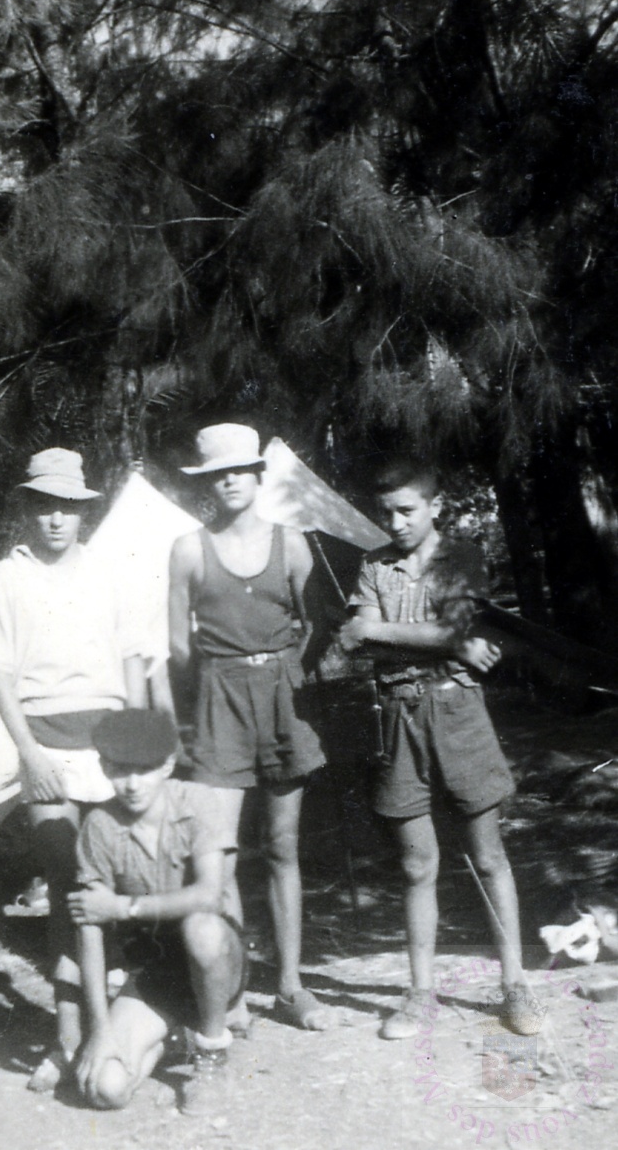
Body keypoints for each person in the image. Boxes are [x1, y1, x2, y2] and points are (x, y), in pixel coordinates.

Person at [338, 459, 540, 1039]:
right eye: (386, 513)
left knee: (488, 856)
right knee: (416, 863)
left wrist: (383, 632)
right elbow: (364, 642)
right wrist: (446, 643)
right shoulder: (373, 565)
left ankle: (515, 987)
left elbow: (450, 628)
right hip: (397, 718)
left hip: (457, 714)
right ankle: (420, 993)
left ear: (435, 506)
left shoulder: (465, 556)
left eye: (407, 510)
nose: (396, 522)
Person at [0, 448, 146, 1091]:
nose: (54, 520)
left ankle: (122, 1026)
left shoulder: (107, 572)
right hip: (44, 744)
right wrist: (30, 755)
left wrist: (136, 743)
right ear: (27, 510)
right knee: (64, 885)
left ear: (82, 512)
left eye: (66, 508)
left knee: (113, 881)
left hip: (106, 740)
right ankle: (67, 1038)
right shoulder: (6, 577)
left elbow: (132, 661)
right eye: (43, 506)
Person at [168, 423, 326, 1031]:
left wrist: (288, 676)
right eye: (215, 473)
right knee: (221, 855)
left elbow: (318, 626)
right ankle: (231, 993)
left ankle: (290, 985)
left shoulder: (291, 545)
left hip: (281, 699)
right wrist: (203, 705)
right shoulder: (187, 549)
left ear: (258, 476)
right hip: (218, 702)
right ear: (206, 483)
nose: (228, 480)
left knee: (283, 846)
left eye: (238, 469)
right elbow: (177, 648)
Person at [68, 709, 246, 1117]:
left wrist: (125, 907)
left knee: (202, 929)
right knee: (104, 1089)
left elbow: (210, 896)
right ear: (103, 766)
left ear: (167, 764)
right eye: (119, 770)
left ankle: (212, 1052)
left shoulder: (196, 801)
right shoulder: (99, 825)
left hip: (218, 959)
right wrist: (99, 1032)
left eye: (144, 770)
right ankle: (171, 1036)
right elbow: (89, 926)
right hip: (157, 974)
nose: (131, 784)